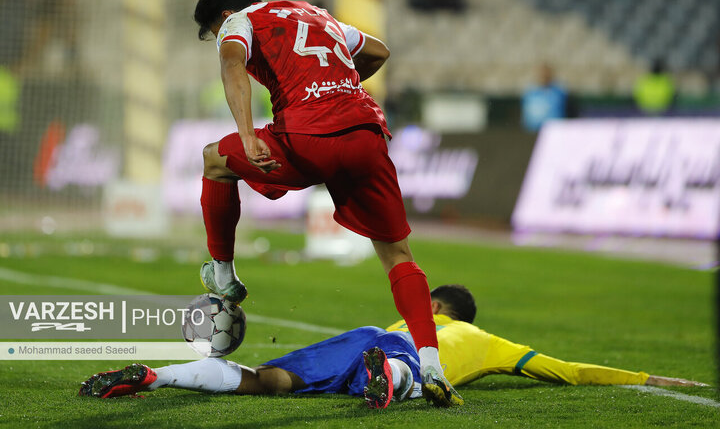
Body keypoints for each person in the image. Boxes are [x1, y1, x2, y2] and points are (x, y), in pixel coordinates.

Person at [190, 0, 459, 406]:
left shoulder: (237, 21)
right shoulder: (313, 13)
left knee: (213, 160)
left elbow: (232, 66)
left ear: (222, 15)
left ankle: (223, 274)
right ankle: (431, 366)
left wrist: (246, 134)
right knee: (398, 256)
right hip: (365, 132)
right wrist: (341, 88)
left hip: (307, 136)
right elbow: (379, 51)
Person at [79, 285, 706, 407]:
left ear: (432, 308)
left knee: (266, 381)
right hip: (402, 357)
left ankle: (161, 377)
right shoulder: (487, 342)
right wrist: (649, 379)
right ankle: (395, 380)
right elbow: (568, 372)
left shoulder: (398, 318)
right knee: (411, 378)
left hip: (367, 340)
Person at [521, 63, 568, 132]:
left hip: (553, 130)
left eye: (546, 73)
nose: (544, 76)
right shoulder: (530, 93)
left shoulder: (558, 92)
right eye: (541, 74)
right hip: (532, 131)